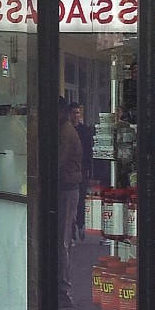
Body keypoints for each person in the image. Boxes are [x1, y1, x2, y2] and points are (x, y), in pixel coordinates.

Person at [57, 96, 82, 308]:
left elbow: (59, 161)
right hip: (65, 188)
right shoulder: (64, 130)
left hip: (67, 188)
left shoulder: (66, 132)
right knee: (60, 238)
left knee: (63, 239)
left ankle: (64, 289)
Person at [68, 102, 93, 243]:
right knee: (71, 201)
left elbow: (88, 152)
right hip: (71, 171)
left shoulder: (85, 130)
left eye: (78, 113)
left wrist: (89, 170)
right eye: (73, 113)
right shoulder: (66, 130)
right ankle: (71, 230)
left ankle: (80, 225)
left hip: (82, 170)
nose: (76, 115)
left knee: (80, 200)